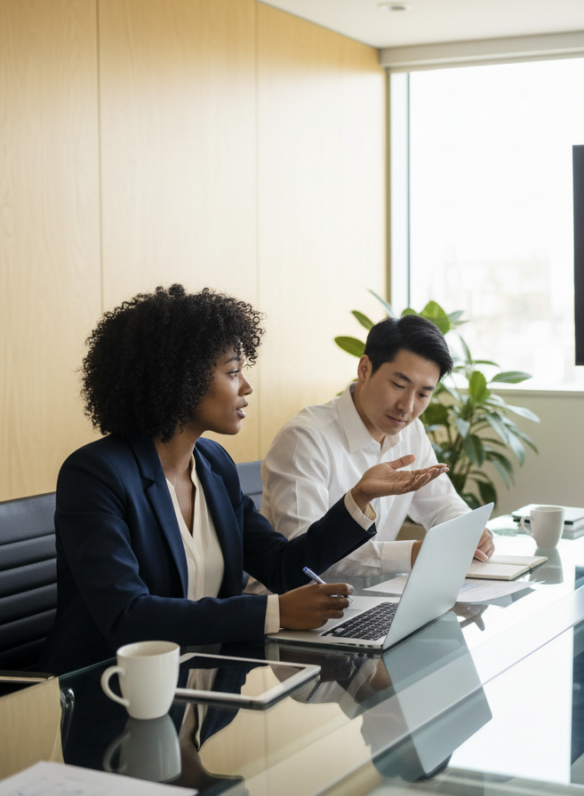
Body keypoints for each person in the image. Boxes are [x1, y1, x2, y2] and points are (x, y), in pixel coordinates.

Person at [40, 285, 447, 674]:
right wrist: (276, 612)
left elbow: (284, 567)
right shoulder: (96, 474)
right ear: (181, 379)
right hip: (109, 693)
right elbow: (128, 616)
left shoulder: (214, 465)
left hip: (204, 684)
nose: (247, 386)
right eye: (234, 372)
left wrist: (358, 499)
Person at [252, 314, 494, 587]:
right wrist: (413, 554)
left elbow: (442, 506)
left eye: (423, 394)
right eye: (399, 386)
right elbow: (305, 557)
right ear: (365, 368)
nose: (408, 406)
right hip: (289, 612)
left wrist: (468, 531)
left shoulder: (410, 432)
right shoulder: (305, 438)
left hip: (370, 600)